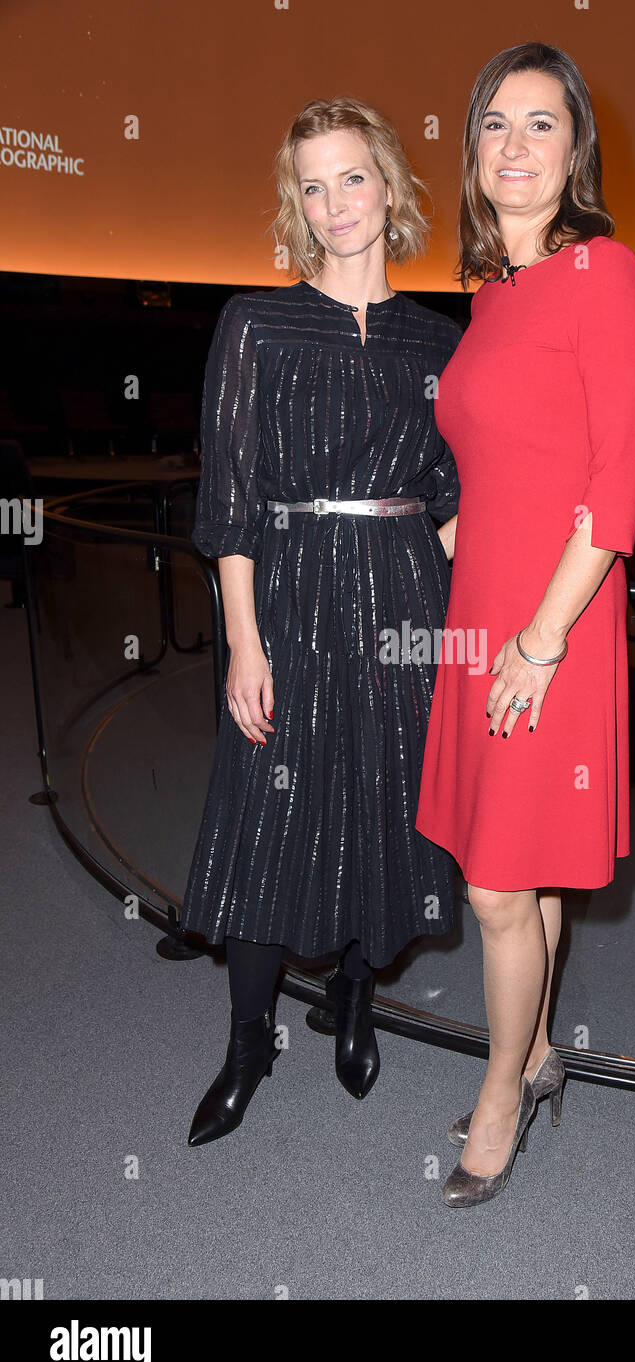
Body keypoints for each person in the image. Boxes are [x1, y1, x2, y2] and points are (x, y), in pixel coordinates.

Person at [182, 97, 463, 1144]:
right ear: (296, 205)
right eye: (313, 184)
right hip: (290, 596)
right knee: (268, 813)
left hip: (402, 600)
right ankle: (247, 1037)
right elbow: (233, 501)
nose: (334, 202)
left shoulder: (436, 338)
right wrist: (243, 643)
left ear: (388, 187)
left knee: (383, 804)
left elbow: (453, 487)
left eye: (352, 177)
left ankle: (352, 994)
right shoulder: (256, 324)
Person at [414, 42, 635, 1207]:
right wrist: (459, 526)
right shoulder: (491, 292)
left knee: (496, 891)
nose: (514, 147)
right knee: (534, 872)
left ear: (576, 151)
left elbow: (614, 490)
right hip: (487, 608)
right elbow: (510, 449)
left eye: (540, 125)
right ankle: (543, 1046)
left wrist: (542, 637)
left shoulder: (602, 273)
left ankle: (501, 1092)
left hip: (552, 624)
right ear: (472, 151)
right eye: (494, 125)